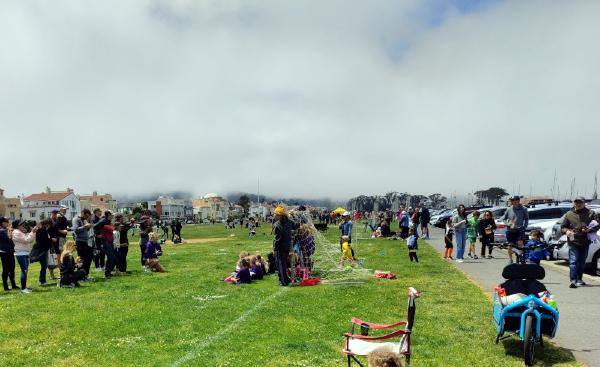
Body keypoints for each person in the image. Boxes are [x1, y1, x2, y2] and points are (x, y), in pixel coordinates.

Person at [561, 197, 599, 288]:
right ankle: (573, 281)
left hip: (585, 241)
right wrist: (567, 231)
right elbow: (563, 227)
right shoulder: (569, 214)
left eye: (580, 202)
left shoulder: (591, 213)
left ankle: (579, 279)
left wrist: (590, 229)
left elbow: (598, 224)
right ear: (574, 203)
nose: (578, 204)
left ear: (584, 203)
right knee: (573, 261)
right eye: (576, 202)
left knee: (582, 262)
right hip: (573, 241)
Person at [11, 219, 39, 293]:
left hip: (24, 253)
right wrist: (32, 232)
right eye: (21, 224)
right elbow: (27, 240)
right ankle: (23, 289)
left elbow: (30, 240)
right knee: (24, 271)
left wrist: (32, 233)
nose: (23, 225)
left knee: (25, 271)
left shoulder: (19, 232)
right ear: (18, 225)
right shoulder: (16, 232)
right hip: (21, 253)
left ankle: (24, 288)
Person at [500, 196, 529, 264]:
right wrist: (507, 223)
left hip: (520, 229)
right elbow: (504, 218)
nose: (512, 202)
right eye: (511, 201)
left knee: (520, 243)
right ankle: (510, 259)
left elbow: (526, 219)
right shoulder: (509, 209)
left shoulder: (524, 209)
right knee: (510, 245)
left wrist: (524, 226)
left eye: (513, 200)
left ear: (518, 201)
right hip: (510, 230)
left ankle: (521, 257)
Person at [273, 206, 293, 286]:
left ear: (279, 215)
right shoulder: (289, 222)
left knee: (281, 264)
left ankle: (284, 281)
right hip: (287, 246)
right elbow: (296, 225)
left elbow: (277, 239)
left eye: (275, 214)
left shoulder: (277, 225)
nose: (274, 216)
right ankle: (284, 279)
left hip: (280, 247)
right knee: (283, 263)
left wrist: (275, 249)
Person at [93, 211, 116, 279]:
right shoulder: (103, 221)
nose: (112, 216)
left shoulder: (109, 222)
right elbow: (94, 226)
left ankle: (108, 272)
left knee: (113, 258)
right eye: (111, 215)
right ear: (108, 215)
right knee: (110, 257)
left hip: (110, 241)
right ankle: (106, 273)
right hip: (105, 242)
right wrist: (97, 234)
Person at [72, 209, 94, 277]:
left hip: (85, 242)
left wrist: (88, 227)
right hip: (79, 242)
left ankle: (85, 274)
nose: (86, 218)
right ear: (82, 213)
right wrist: (85, 226)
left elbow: (85, 230)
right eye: (86, 216)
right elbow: (76, 230)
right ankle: (80, 275)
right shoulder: (76, 219)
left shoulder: (84, 220)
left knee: (89, 257)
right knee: (81, 259)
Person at [0, 217, 18, 291]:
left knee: (12, 268)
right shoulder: (1, 231)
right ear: (2, 223)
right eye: (6, 222)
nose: (8, 223)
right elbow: (9, 237)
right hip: (4, 252)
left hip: (10, 252)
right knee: (6, 269)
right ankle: (6, 287)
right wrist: (10, 230)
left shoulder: (6, 230)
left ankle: (13, 285)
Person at [35, 219, 53, 286]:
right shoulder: (41, 230)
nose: (49, 226)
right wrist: (51, 240)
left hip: (44, 249)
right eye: (48, 224)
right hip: (42, 250)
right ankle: (42, 281)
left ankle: (42, 280)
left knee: (44, 266)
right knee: (44, 265)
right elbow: (43, 240)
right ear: (45, 224)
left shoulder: (43, 230)